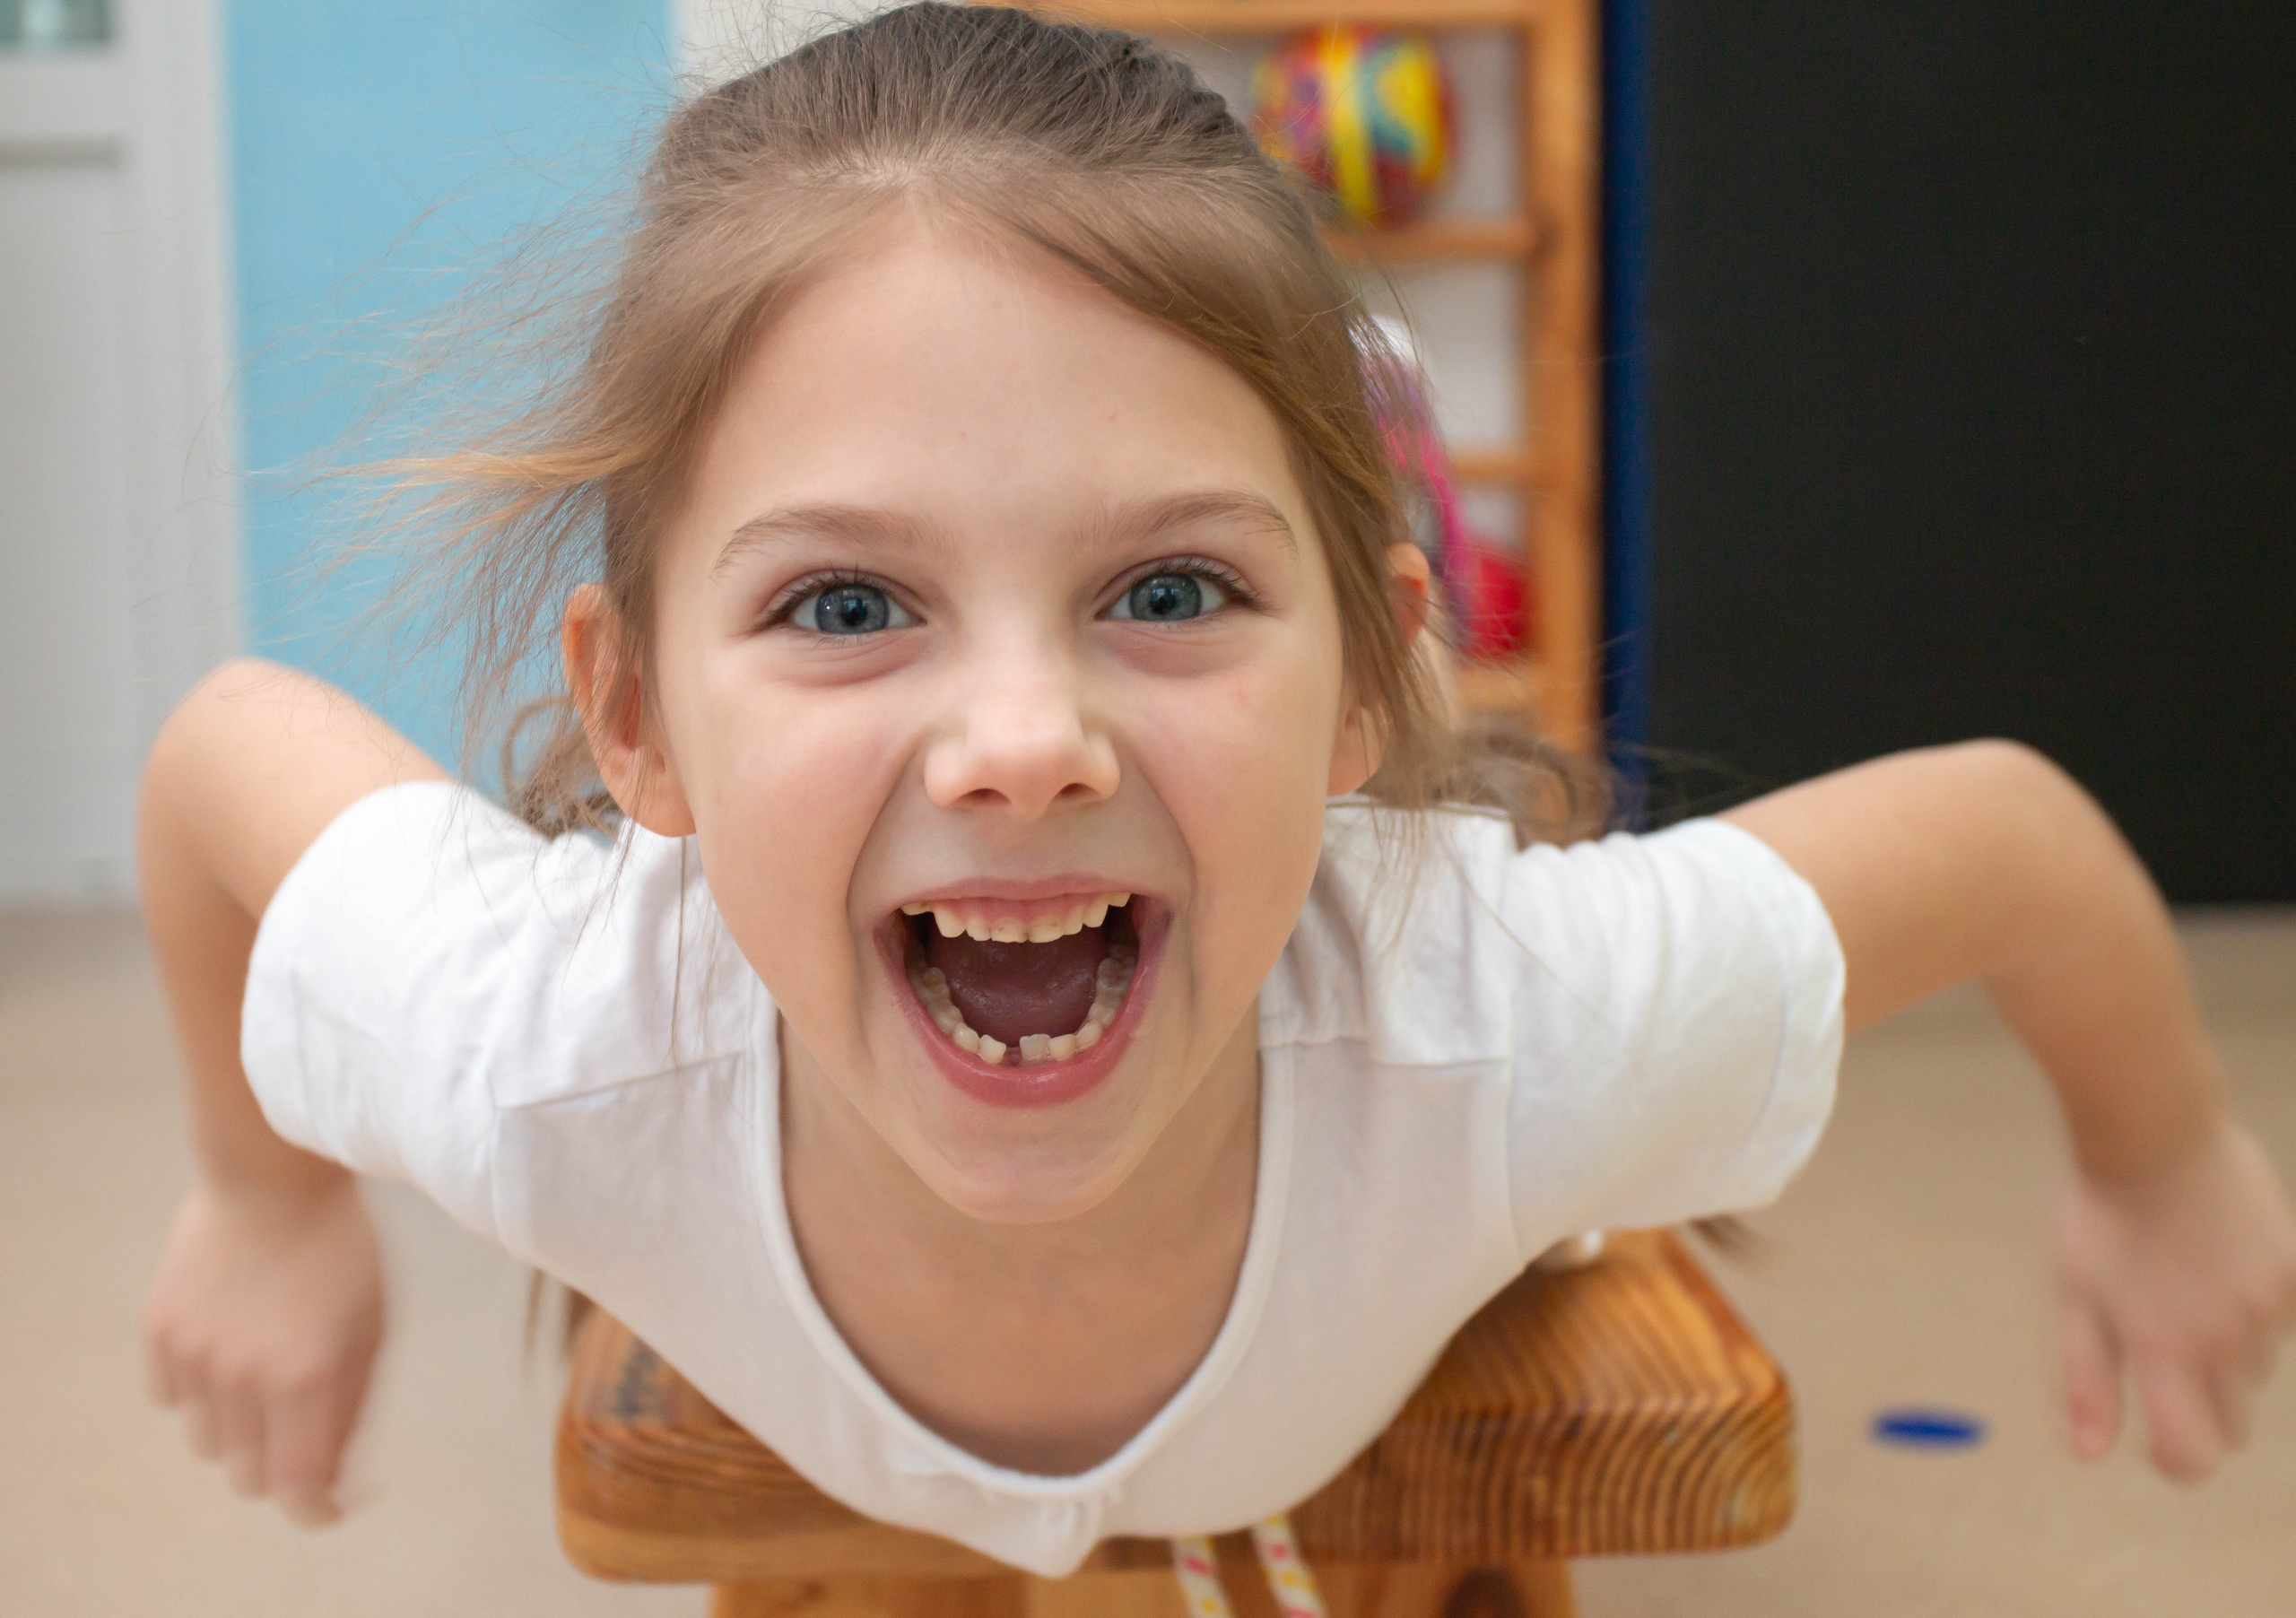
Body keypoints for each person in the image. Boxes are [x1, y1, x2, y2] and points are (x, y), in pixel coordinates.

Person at [136, 1, 2295, 1577]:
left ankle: (1355, 539)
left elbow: (2005, 829)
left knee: (1438, 758)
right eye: (844, 601)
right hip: (1279, 711)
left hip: (1374, 781)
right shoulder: (541, 1039)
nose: (1017, 738)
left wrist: (2164, 1152)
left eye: (1156, 581)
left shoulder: (1507, 1012)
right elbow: (226, 745)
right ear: (632, 726)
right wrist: (264, 1196)